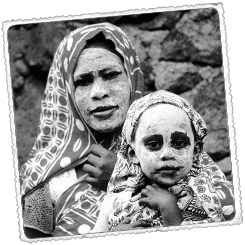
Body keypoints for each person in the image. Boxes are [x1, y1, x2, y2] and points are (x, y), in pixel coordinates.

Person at [19, 22, 144, 238]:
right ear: (67, 91)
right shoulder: (42, 178)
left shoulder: (167, 145)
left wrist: (124, 177)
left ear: (132, 78)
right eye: (83, 81)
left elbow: (211, 209)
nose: (99, 92)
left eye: (111, 75)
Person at [92, 90, 235, 232]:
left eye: (179, 143)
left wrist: (169, 210)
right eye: (154, 144)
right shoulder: (116, 202)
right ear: (133, 154)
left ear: (196, 151)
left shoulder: (216, 198)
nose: (167, 154)